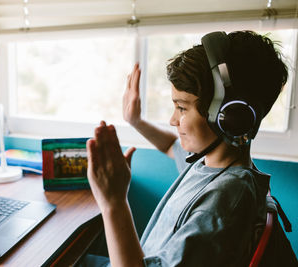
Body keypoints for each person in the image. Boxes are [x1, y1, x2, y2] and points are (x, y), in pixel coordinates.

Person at [82, 31, 291, 266]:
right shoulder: (209, 163)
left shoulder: (223, 203)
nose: (173, 120)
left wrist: (113, 202)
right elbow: (172, 145)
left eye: (181, 108)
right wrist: (136, 121)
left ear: (230, 116)